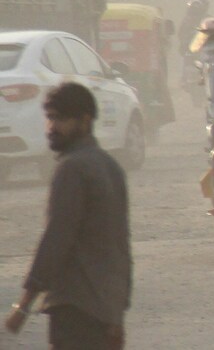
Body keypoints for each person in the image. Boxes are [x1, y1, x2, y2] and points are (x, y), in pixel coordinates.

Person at [4, 83, 131, 349]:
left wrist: (24, 305)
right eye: (49, 118)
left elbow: (56, 238)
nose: (52, 127)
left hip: (75, 307)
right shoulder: (110, 167)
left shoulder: (72, 168)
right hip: (105, 310)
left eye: (61, 119)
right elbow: (121, 247)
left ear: (85, 120)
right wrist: (117, 315)